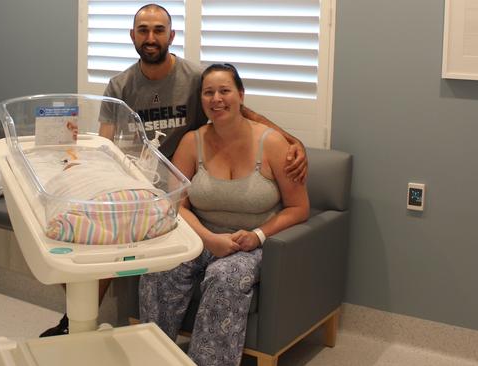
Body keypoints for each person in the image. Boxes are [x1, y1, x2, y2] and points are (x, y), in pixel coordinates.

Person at [40, 3, 308, 337]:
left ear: (171, 35)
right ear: (132, 36)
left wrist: (292, 140)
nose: (150, 38)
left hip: (181, 185)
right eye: (143, 30)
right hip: (137, 185)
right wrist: (79, 166)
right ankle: (78, 320)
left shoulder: (195, 79)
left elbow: (240, 110)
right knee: (90, 235)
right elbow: (105, 146)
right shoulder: (120, 86)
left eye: (158, 30)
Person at [139, 63, 310, 366]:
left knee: (223, 277)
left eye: (224, 91)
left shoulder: (272, 144)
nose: (216, 99)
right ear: (201, 100)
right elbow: (176, 205)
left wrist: (258, 236)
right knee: (160, 267)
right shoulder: (193, 142)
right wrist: (208, 239)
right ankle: (152, 357)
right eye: (208, 93)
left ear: (241, 95)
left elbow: (299, 208)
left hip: (252, 243)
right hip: (199, 236)